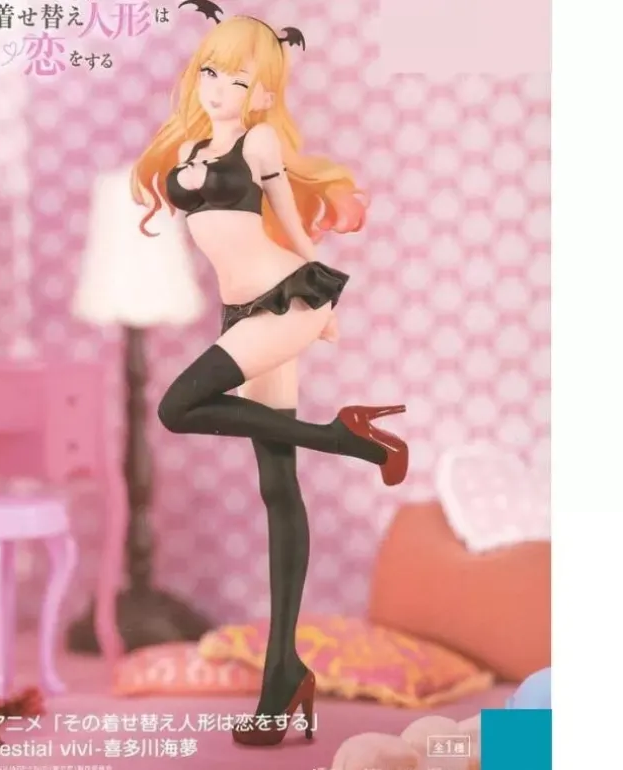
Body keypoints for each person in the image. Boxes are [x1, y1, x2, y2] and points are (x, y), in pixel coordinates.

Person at [130, 11, 409, 747]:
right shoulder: (190, 146)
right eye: (211, 72)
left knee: (176, 407)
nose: (219, 87)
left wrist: (324, 307)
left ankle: (342, 437)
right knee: (277, 485)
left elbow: (289, 221)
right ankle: (283, 671)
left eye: (238, 78)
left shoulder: (259, 142)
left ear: (262, 93)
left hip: (286, 300)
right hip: (241, 312)